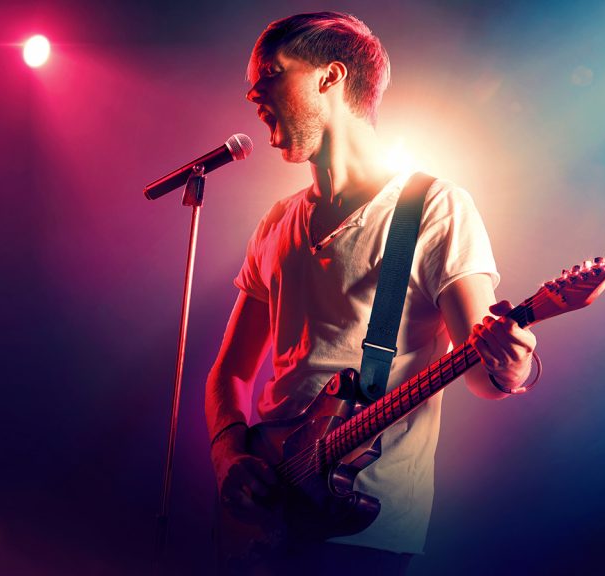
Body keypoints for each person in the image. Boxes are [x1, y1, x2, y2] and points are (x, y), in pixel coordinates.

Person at [205, 11, 536, 573]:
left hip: (365, 528)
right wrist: (229, 454)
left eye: (271, 72)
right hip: (268, 512)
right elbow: (231, 372)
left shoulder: (435, 207)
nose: (253, 92)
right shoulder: (277, 220)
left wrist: (514, 364)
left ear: (330, 77)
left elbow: (482, 374)